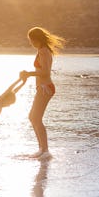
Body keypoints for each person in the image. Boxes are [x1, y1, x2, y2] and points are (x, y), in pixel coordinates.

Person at [19, 26, 65, 159]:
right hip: (42, 88)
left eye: (32, 40)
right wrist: (28, 75)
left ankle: (45, 151)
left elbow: (45, 72)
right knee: (32, 117)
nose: (31, 43)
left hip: (46, 87)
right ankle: (42, 149)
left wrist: (28, 73)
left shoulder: (44, 51)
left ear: (37, 39)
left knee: (36, 118)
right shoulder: (41, 50)